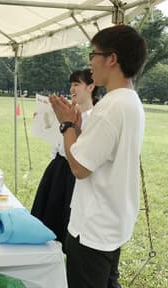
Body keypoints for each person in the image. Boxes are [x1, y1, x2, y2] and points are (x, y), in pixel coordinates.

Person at [49, 25, 147, 287]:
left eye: (93, 54)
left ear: (112, 59)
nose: (90, 62)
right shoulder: (131, 101)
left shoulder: (111, 106)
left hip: (92, 228)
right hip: (113, 222)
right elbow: (103, 152)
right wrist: (79, 129)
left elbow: (80, 168)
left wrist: (67, 125)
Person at [31, 69, 100, 252]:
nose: (72, 89)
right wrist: (44, 121)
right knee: (47, 216)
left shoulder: (95, 117)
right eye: (71, 85)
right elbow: (57, 143)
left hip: (75, 171)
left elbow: (85, 152)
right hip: (57, 168)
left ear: (91, 87)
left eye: (77, 84)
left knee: (65, 219)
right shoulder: (66, 112)